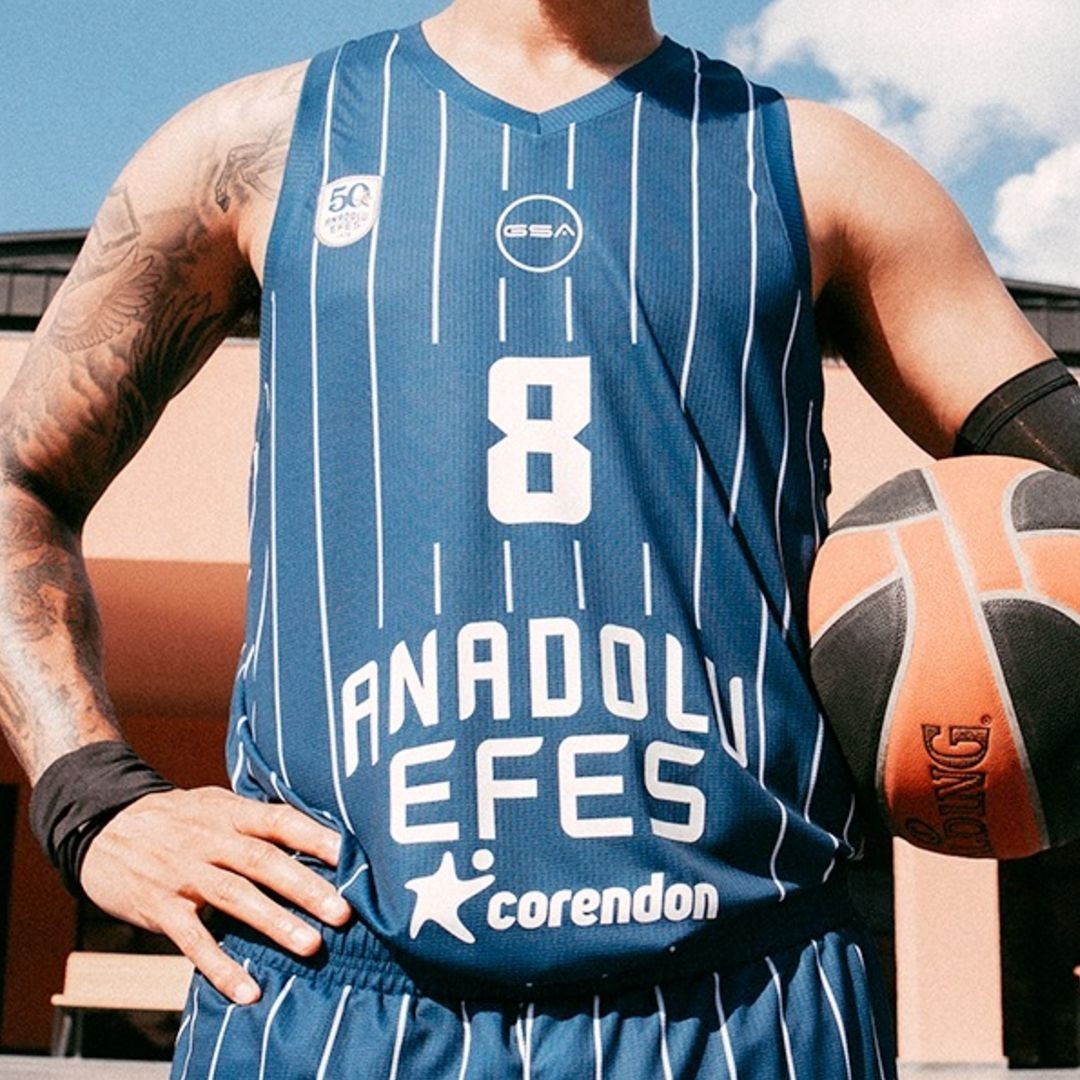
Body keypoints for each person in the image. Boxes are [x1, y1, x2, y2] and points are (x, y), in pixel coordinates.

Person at [0, 1, 1069, 1076]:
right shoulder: (254, 151)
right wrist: (93, 800)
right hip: (334, 995)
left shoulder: (818, 170)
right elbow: (20, 483)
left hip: (742, 996)